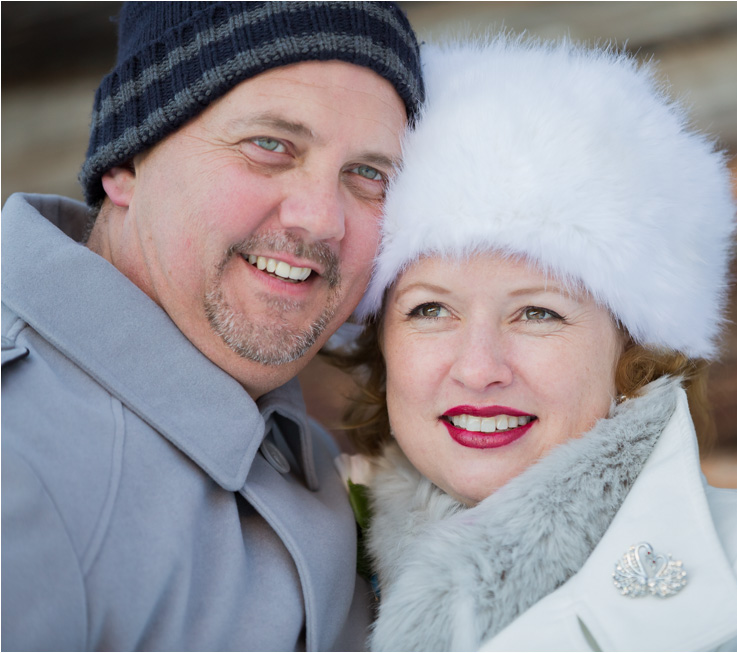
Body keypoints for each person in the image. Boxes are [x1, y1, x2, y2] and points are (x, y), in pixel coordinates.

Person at [326, 37, 737, 651]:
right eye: (430, 309)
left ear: (632, 356)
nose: (478, 368)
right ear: (382, 344)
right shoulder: (322, 570)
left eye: (538, 312)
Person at [0, 2, 422, 650]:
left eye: (368, 174)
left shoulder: (304, 445)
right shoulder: (21, 459)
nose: (322, 218)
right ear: (128, 159)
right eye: (271, 146)